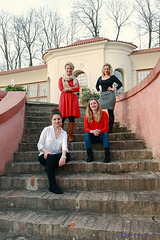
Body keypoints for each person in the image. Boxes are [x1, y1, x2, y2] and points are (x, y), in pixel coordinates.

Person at [37, 108, 71, 194]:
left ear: (61, 120)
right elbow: (39, 144)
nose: (57, 121)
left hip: (56, 156)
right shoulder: (46, 130)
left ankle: (49, 168)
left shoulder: (63, 133)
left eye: (58, 119)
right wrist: (46, 152)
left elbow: (64, 147)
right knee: (50, 158)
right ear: (51, 120)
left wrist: (63, 156)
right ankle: (52, 186)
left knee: (68, 155)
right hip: (44, 156)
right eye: (54, 119)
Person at [96, 63, 122, 133]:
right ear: (103, 70)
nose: (106, 70)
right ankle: (100, 126)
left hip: (110, 95)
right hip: (103, 95)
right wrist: (99, 91)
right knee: (98, 109)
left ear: (109, 70)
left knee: (110, 112)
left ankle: (110, 129)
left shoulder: (112, 77)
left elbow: (120, 84)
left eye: (108, 69)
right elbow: (97, 86)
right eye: (105, 69)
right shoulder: (100, 78)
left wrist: (114, 89)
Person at [58, 62, 80, 142]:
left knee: (71, 117)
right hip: (64, 98)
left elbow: (77, 89)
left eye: (70, 68)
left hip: (72, 99)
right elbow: (61, 88)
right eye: (67, 68)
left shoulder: (75, 80)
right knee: (62, 117)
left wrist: (69, 89)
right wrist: (71, 88)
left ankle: (70, 135)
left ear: (73, 69)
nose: (69, 70)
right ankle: (59, 134)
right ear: (65, 69)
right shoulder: (61, 79)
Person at [84, 97, 110, 163]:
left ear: (98, 104)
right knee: (86, 134)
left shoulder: (104, 114)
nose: (93, 105)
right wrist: (93, 131)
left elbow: (106, 127)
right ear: (89, 106)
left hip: (101, 136)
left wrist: (99, 131)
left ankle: (107, 155)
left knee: (105, 133)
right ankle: (90, 155)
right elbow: (86, 128)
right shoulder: (87, 115)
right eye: (91, 104)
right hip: (92, 137)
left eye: (94, 103)